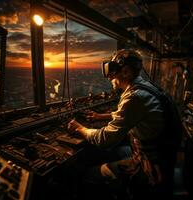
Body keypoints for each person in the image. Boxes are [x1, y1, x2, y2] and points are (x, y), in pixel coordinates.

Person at [68, 49, 183, 199]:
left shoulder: (135, 97)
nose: (110, 78)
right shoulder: (144, 87)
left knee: (90, 174)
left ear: (126, 72)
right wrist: (100, 116)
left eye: (113, 73)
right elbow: (132, 115)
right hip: (160, 156)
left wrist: (80, 128)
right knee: (111, 153)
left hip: (150, 168)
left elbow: (105, 139)